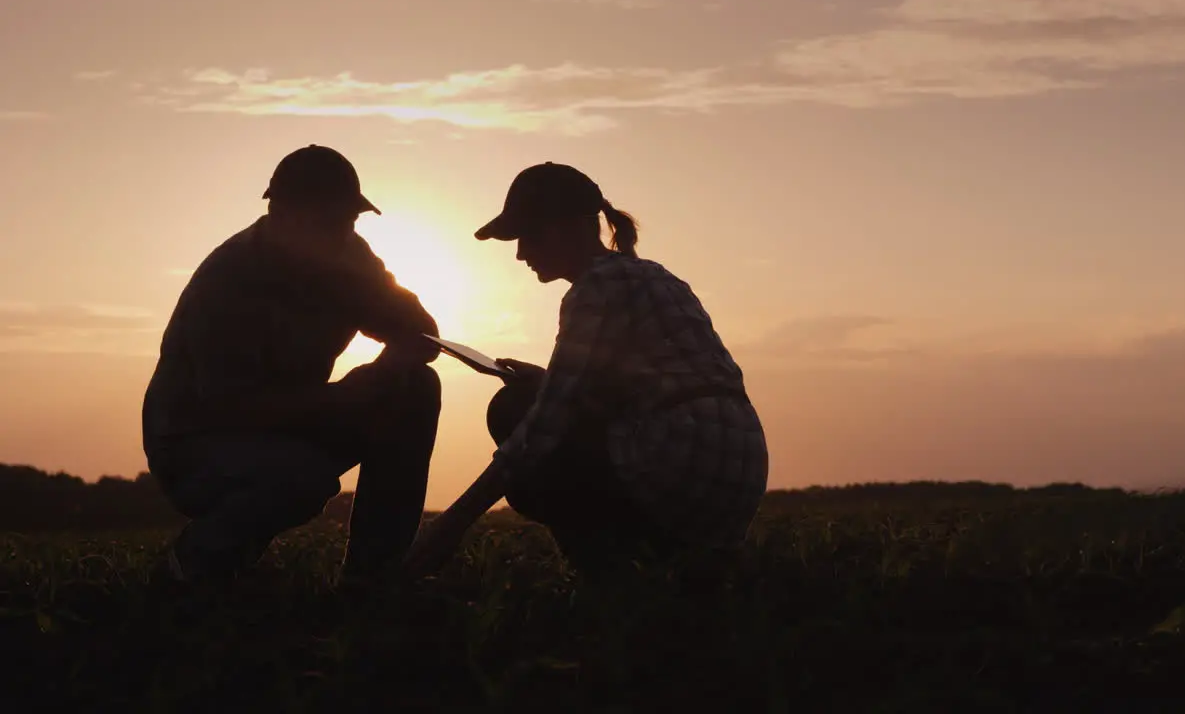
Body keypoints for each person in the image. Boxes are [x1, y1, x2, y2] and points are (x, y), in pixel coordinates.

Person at [404, 162, 768, 578]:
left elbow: (543, 427)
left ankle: (609, 584)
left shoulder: (595, 286)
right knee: (537, 400)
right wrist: (548, 381)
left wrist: (450, 526)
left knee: (513, 409)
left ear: (573, 227)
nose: (521, 253)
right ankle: (688, 565)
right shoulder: (654, 275)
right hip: (739, 468)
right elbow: (651, 383)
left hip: (680, 459)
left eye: (530, 235)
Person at [142, 144, 444, 586]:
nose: (342, 233)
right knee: (302, 478)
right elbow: (231, 407)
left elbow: (421, 333)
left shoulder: (349, 258)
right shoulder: (230, 279)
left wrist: (385, 371)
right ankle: (190, 566)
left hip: (290, 428)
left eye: (349, 220)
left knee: (414, 388)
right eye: (328, 220)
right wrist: (340, 399)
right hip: (195, 447)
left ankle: (375, 579)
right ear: (281, 213)